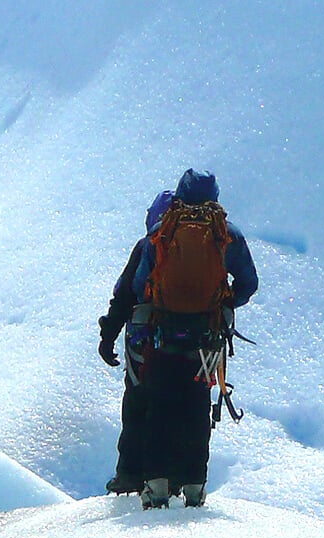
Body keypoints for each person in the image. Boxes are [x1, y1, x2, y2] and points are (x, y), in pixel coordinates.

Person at [97, 169, 258, 509]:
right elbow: (249, 284)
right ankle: (194, 485)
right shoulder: (227, 235)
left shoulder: (160, 233)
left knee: (158, 405)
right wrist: (220, 302)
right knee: (196, 407)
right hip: (205, 340)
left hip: (162, 335)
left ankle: (154, 485)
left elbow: (138, 287)